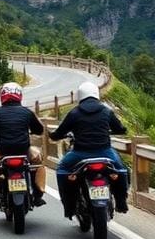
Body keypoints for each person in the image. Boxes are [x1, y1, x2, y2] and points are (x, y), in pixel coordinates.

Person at [49, 81, 129, 218]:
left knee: (62, 170)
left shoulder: (74, 113)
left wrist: (54, 136)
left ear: (80, 96)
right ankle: (121, 202)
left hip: (80, 154)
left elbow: (59, 133)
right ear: (96, 94)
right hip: (105, 152)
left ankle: (69, 207)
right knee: (121, 170)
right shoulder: (106, 111)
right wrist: (116, 130)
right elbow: (120, 129)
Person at [0, 82, 46, 208]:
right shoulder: (27, 113)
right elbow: (39, 130)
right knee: (38, 162)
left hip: (2, 151)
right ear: (19, 95)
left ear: (2, 96)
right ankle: (38, 194)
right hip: (24, 150)